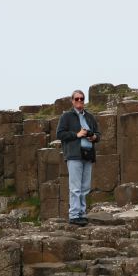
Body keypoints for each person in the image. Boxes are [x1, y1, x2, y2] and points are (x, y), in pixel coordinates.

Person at [55, 90, 101, 226]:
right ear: (72, 101)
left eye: (82, 99)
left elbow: (98, 134)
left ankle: (82, 213)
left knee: (85, 187)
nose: (79, 101)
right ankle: (74, 215)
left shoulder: (90, 117)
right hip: (74, 155)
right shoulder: (66, 117)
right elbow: (60, 134)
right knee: (75, 187)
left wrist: (94, 137)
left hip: (88, 155)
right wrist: (77, 135)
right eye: (77, 99)